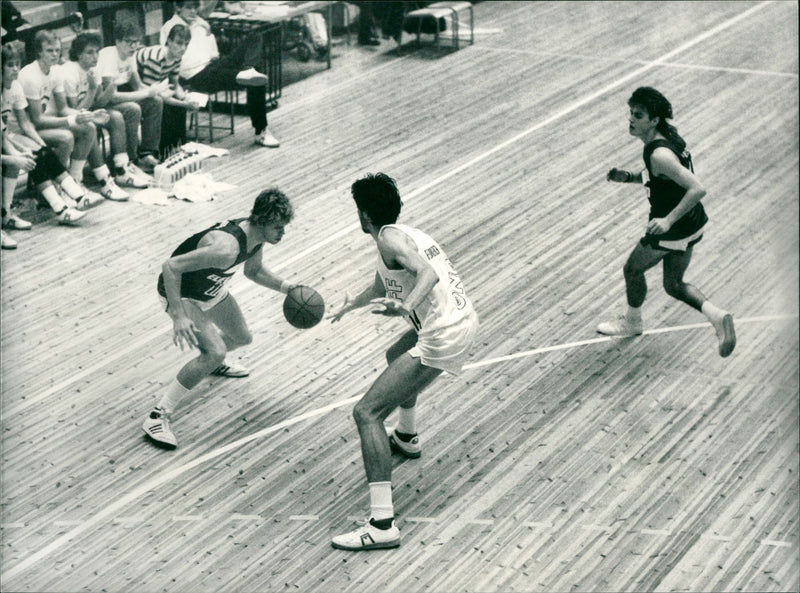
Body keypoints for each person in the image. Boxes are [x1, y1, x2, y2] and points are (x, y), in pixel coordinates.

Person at [328, 173, 479, 551]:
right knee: (394, 355)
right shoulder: (401, 234)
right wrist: (352, 304)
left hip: (443, 332)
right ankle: (407, 436)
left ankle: (381, 524)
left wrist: (406, 305)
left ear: (363, 215)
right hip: (459, 320)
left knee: (366, 413)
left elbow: (425, 274)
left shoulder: (388, 238)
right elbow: (382, 286)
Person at [142, 188, 301, 449]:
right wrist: (178, 316)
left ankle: (212, 363)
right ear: (262, 221)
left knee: (242, 338)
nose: (282, 233)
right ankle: (158, 415)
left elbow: (254, 270)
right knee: (214, 352)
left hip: (210, 290)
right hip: (182, 293)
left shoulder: (257, 237)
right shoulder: (226, 248)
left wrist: (287, 288)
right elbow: (170, 267)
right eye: (278, 227)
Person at [597, 86, 736, 357]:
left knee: (632, 270)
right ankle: (718, 317)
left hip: (675, 226)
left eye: (638, 115)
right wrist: (628, 177)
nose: (631, 119)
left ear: (654, 120)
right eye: (631, 113)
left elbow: (697, 188)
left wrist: (667, 221)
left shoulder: (659, 153)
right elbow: (660, 177)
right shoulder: (666, 138)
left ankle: (632, 322)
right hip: (693, 222)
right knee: (673, 285)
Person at [17, 31, 119, 204]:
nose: (55, 54)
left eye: (57, 50)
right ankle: (60, 189)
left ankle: (74, 182)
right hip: (25, 131)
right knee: (66, 137)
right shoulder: (30, 76)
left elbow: (64, 108)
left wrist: (89, 115)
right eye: (50, 51)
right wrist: (74, 119)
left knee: (89, 127)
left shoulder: (56, 72)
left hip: (48, 123)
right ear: (39, 52)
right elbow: (36, 120)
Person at [160, 0, 280, 148]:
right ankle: (261, 132)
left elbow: (213, 54)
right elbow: (172, 61)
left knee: (255, 37)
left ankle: (250, 69)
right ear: (178, 8)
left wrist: (208, 31)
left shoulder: (200, 23)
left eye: (195, 7)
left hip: (212, 66)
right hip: (195, 76)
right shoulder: (171, 27)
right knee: (255, 80)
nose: (193, 11)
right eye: (188, 7)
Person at [2, 42, 88, 227]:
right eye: (10, 65)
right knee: (33, 153)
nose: (16, 69)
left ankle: (72, 195)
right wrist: (18, 151)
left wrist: (41, 143)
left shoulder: (14, 87)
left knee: (40, 150)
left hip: (8, 136)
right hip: (8, 137)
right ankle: (61, 206)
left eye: (17, 64)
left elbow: (25, 122)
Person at [58, 30, 151, 190]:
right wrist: (93, 89)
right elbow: (76, 112)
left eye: (96, 52)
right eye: (89, 52)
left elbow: (100, 102)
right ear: (78, 54)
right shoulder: (69, 72)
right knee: (94, 124)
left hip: (90, 112)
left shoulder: (94, 69)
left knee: (115, 116)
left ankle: (122, 170)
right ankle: (103, 178)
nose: (95, 56)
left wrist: (112, 86)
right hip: (70, 118)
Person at [97, 19, 169, 173]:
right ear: (118, 41)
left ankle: (147, 152)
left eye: (136, 42)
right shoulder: (109, 56)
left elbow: (138, 86)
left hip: (118, 98)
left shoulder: (131, 56)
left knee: (155, 101)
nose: (134, 46)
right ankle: (131, 158)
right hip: (102, 103)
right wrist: (144, 93)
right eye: (129, 42)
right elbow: (111, 97)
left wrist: (155, 90)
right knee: (133, 108)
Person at [136, 23, 199, 154]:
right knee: (167, 107)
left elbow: (175, 84)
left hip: (154, 87)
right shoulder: (156, 58)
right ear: (169, 41)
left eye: (186, 44)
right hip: (135, 88)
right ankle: (162, 150)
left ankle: (177, 146)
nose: (182, 48)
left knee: (179, 104)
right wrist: (184, 104)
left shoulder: (176, 57)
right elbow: (154, 94)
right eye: (179, 43)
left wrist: (185, 97)